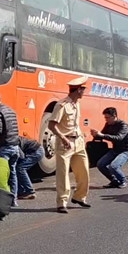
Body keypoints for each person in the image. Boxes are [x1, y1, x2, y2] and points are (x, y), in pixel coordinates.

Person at [48, 76, 91, 213]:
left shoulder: (76, 104)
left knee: (83, 171)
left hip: (78, 141)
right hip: (65, 142)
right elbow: (51, 125)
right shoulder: (61, 105)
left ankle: (79, 197)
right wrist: (63, 138)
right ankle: (62, 202)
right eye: (83, 89)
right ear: (78, 90)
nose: (84, 92)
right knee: (63, 174)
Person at [90, 107, 128, 188]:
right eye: (105, 117)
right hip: (115, 150)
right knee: (100, 164)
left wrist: (102, 135)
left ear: (114, 116)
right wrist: (96, 135)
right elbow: (103, 135)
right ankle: (114, 180)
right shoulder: (108, 125)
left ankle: (123, 180)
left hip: (126, 150)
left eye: (107, 117)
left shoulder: (123, 125)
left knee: (114, 166)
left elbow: (119, 138)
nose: (106, 120)